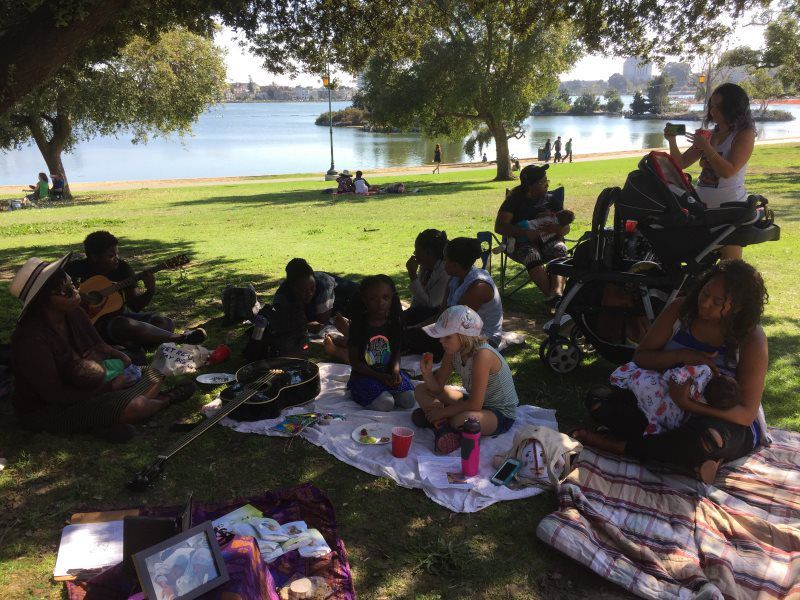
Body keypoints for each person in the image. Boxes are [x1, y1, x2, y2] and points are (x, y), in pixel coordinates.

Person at [573, 260, 769, 484]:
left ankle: (616, 445)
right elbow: (642, 356)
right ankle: (688, 460)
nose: (704, 304)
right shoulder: (681, 310)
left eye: (718, 302)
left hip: (718, 418)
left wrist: (688, 404)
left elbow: (745, 414)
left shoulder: (751, 338)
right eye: (704, 294)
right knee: (599, 400)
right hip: (661, 403)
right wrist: (683, 356)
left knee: (707, 440)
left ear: (739, 307)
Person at [9, 254, 194, 442]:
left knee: (153, 373)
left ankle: (110, 416)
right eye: (64, 291)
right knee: (134, 406)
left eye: (72, 285)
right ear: (42, 302)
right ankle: (164, 400)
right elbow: (54, 394)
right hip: (51, 409)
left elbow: (99, 346)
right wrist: (110, 386)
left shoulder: (74, 312)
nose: (75, 292)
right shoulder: (30, 339)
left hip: (93, 385)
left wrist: (119, 358)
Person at [65, 231, 205, 351]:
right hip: (91, 324)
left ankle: (128, 343)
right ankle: (180, 338)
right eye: (110, 256)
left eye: (116, 254)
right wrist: (79, 296)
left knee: (165, 323)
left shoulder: (123, 269)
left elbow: (134, 306)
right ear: (94, 257)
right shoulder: (74, 270)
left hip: (119, 317)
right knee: (123, 324)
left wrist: (150, 290)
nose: (116, 259)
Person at [665, 83, 756, 260]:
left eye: (719, 106)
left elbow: (728, 171)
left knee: (730, 266)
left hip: (729, 212)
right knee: (699, 264)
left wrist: (707, 148)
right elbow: (681, 163)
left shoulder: (744, 134)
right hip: (702, 211)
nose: (713, 111)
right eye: (711, 106)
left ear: (733, 108)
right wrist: (672, 141)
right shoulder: (709, 135)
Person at [413, 305, 519, 454]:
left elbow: (475, 404)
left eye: (448, 336)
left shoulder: (483, 355)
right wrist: (427, 373)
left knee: (462, 420)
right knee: (420, 389)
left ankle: (438, 422)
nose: (441, 341)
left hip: (500, 413)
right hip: (475, 402)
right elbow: (436, 388)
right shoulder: (452, 352)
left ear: (464, 336)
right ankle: (442, 426)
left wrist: (443, 412)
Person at [494, 164, 569, 307]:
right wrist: (525, 232)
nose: (547, 184)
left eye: (547, 180)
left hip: (549, 241)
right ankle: (558, 302)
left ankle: (557, 295)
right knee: (531, 254)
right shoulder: (513, 201)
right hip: (521, 244)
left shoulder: (552, 199)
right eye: (543, 182)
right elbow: (500, 227)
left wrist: (557, 228)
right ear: (530, 186)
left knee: (560, 249)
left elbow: (566, 228)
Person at [609, 361, 740, 435]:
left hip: (673, 409)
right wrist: (676, 381)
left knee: (668, 422)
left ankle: (652, 428)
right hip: (665, 388)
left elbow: (691, 412)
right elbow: (684, 372)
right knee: (645, 384)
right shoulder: (705, 372)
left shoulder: (707, 403)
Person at [345, 275, 416, 411]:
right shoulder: (358, 326)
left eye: (385, 297)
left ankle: (386, 388)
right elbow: (355, 363)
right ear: (364, 300)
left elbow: (396, 353)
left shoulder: (394, 323)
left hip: (388, 374)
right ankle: (356, 391)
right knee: (386, 403)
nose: (380, 303)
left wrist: (395, 372)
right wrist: (380, 377)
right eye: (373, 298)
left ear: (392, 298)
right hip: (364, 376)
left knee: (409, 400)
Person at [442, 237, 502, 346]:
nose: (443, 263)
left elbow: (457, 323)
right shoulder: (454, 278)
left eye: (445, 259)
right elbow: (442, 312)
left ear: (455, 265)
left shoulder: (479, 287)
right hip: (460, 331)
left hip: (484, 339)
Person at [273, 258, 358, 334]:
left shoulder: (323, 286)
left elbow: (321, 323)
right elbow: (282, 322)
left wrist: (302, 325)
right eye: (303, 290)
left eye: (312, 288)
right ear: (292, 288)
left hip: (351, 299)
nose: (309, 293)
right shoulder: (282, 296)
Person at [404, 229, 450, 358]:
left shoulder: (445, 271)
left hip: (434, 315)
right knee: (398, 319)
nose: (414, 254)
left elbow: (431, 303)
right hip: (422, 311)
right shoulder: (426, 266)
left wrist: (412, 275)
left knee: (408, 333)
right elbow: (418, 300)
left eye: (417, 251)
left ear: (429, 253)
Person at [496, 209, 575, 254]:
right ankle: (509, 243)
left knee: (514, 233)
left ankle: (506, 244)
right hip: (532, 236)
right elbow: (545, 237)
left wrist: (545, 213)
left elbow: (538, 216)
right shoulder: (556, 228)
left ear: (559, 213)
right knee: (519, 240)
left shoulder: (550, 215)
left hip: (526, 224)